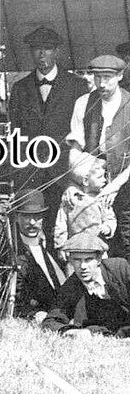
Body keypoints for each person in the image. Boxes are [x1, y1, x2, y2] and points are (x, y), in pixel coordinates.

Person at [8, 26, 88, 238]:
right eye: (36, 49)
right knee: (28, 228)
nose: (42, 54)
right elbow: (15, 133)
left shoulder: (77, 86)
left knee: (63, 228)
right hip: (30, 174)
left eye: (47, 48)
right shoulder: (19, 88)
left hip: (63, 174)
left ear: (57, 51)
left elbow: (84, 133)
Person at [64, 54, 130, 256]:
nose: (101, 84)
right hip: (92, 188)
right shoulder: (83, 103)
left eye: (107, 77)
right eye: (97, 77)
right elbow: (76, 148)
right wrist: (74, 182)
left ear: (120, 76)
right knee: (92, 246)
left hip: (126, 186)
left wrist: (115, 186)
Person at [41, 233, 130, 337]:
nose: (83, 266)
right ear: (70, 261)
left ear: (99, 259)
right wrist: (71, 331)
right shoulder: (72, 285)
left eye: (88, 259)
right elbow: (51, 320)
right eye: (77, 260)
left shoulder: (120, 268)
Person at [11, 190, 68, 317]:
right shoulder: (12, 250)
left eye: (37, 217)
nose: (32, 222)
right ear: (16, 217)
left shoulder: (52, 242)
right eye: (26, 216)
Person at [54, 153, 116, 249]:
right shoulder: (71, 198)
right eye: (100, 177)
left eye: (104, 176)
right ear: (85, 181)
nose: (104, 180)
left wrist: (108, 228)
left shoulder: (102, 198)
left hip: (97, 248)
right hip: (74, 249)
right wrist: (60, 246)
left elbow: (110, 218)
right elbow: (61, 224)